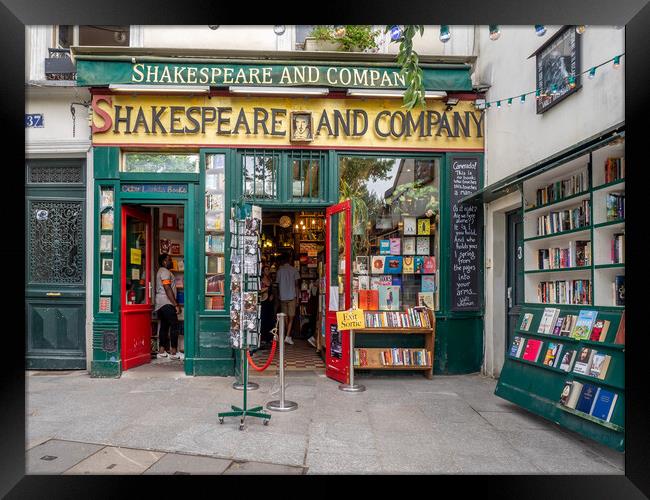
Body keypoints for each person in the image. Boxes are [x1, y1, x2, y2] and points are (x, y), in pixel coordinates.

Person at [155, 253, 183, 360]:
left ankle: (162, 351)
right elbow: (167, 288)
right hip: (166, 303)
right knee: (174, 325)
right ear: (164, 262)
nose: (172, 261)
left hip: (160, 304)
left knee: (164, 326)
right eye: (169, 259)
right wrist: (175, 304)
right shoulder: (165, 272)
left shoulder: (160, 272)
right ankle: (174, 352)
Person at [275, 252, 300, 345]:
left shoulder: (279, 271)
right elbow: (297, 285)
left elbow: (277, 284)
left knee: (285, 317)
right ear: (289, 260)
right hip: (291, 296)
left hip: (283, 296)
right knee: (291, 317)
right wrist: (297, 298)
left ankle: (287, 335)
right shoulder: (294, 270)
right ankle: (288, 336)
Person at [259, 264, 275, 349]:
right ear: (262, 271)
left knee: (270, 319)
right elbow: (259, 290)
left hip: (270, 301)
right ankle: (263, 338)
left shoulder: (270, 280)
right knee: (263, 319)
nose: (267, 271)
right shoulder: (261, 280)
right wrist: (265, 289)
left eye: (268, 270)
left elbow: (272, 290)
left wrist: (272, 295)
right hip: (263, 301)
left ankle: (269, 338)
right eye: (266, 270)